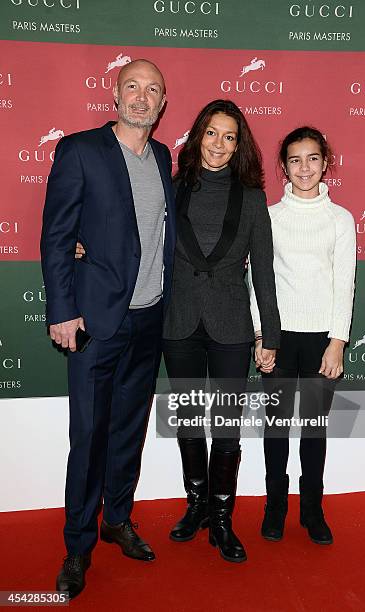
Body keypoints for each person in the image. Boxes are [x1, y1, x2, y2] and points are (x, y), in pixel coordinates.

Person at [40, 59, 176, 599]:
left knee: (129, 430)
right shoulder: (80, 150)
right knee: (89, 437)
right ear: (115, 93)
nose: (142, 98)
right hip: (95, 321)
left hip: (149, 317)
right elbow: (56, 237)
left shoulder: (164, 157)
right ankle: (77, 546)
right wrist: (61, 309)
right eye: (133, 88)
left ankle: (117, 520)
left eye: (153, 91)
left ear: (163, 104)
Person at [162, 99, 280, 563]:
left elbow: (266, 273)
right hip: (179, 322)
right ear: (197, 136)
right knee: (190, 420)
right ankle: (196, 508)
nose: (218, 144)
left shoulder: (252, 199)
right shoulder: (173, 188)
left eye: (229, 136)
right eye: (211, 133)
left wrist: (268, 336)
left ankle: (223, 518)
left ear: (239, 145)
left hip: (232, 326)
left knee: (226, 426)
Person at [249, 126, 356, 545]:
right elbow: (261, 282)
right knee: (275, 428)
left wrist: (337, 342)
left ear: (325, 162)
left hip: (321, 341)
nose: (305, 167)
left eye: (313, 158)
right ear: (283, 167)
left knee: (313, 428)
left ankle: (313, 509)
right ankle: (275, 505)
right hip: (277, 337)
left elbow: (344, 283)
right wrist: (261, 336)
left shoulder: (341, 220)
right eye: (295, 159)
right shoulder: (269, 217)